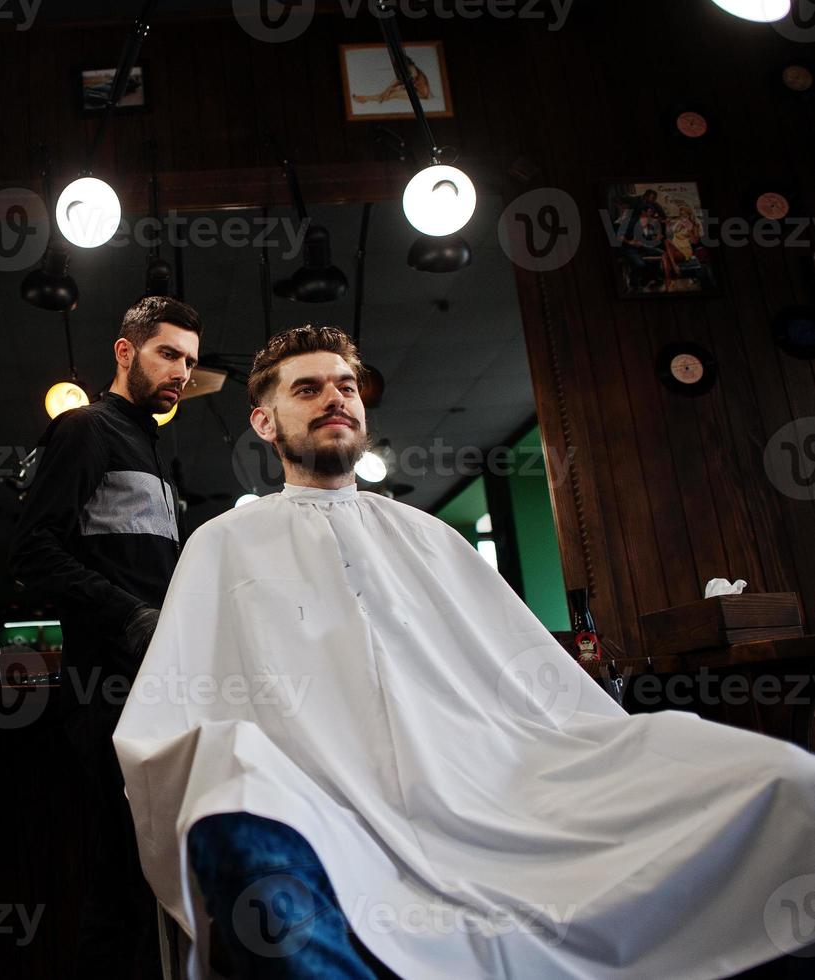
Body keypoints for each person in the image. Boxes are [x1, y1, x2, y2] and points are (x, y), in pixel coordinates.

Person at [113, 325, 815, 979]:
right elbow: (175, 714)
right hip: (325, 802)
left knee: (778, 778)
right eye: (307, 388)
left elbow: (538, 688)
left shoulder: (429, 537)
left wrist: (583, 740)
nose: (335, 397)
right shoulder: (223, 544)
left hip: (497, 781)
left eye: (346, 386)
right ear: (264, 423)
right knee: (229, 781)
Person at [9, 295, 202, 978]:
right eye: (168, 354)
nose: (181, 371)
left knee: (154, 876)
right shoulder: (85, 429)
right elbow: (33, 553)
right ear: (125, 352)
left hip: (157, 690)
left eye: (190, 361)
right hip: (106, 694)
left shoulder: (148, 446)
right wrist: (132, 616)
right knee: (121, 881)